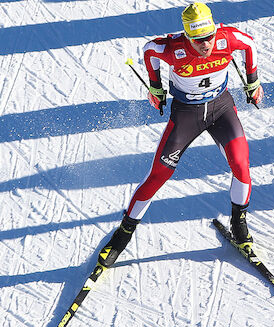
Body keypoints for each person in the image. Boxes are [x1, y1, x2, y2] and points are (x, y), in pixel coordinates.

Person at [97, 2, 264, 268]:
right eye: (197, 40)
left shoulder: (226, 38)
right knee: (159, 173)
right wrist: (155, 87)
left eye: (208, 37)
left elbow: (250, 44)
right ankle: (123, 234)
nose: (205, 45)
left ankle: (239, 222)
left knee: (242, 165)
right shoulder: (172, 48)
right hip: (187, 113)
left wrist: (253, 81)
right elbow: (148, 51)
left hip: (221, 108)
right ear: (187, 36)